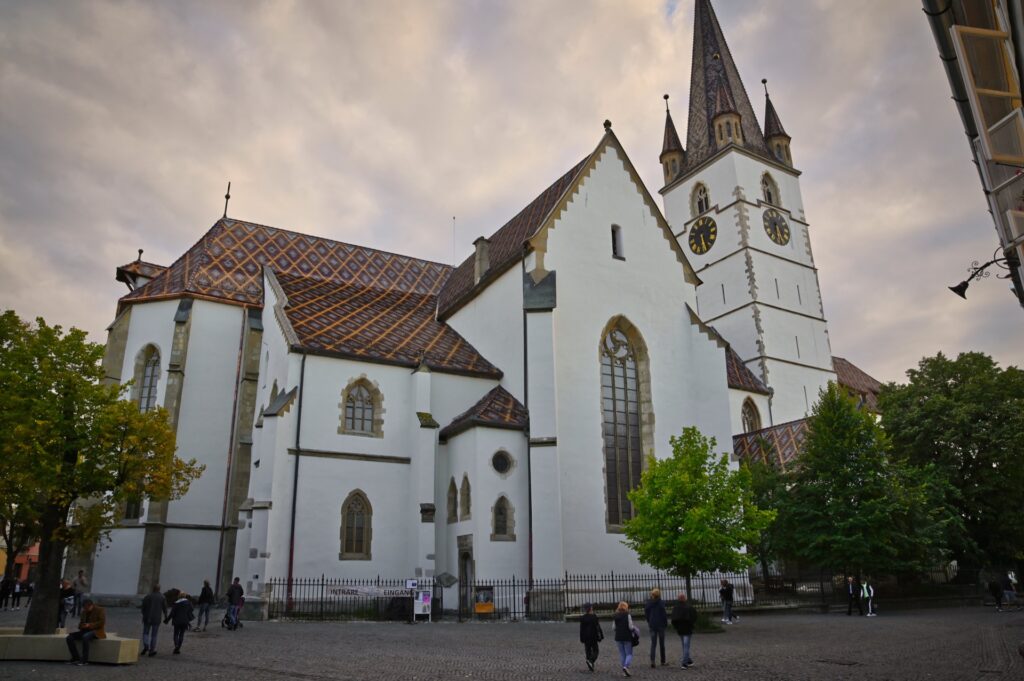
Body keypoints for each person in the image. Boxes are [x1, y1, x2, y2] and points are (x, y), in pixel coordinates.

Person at [65, 598, 106, 666]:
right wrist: (82, 626)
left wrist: (90, 625)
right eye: (84, 608)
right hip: (85, 630)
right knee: (69, 638)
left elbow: (102, 622)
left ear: (91, 606)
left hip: (96, 631)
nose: (85, 610)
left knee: (85, 637)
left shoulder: (100, 610)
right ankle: (75, 658)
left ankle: (84, 660)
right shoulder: (84, 612)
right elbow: (81, 623)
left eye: (87, 608)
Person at [671, 592, 698, 669]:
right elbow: (694, 617)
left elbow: (673, 620)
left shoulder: (676, 608)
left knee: (684, 645)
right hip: (687, 629)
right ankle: (684, 663)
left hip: (680, 629)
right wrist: (691, 625)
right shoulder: (689, 607)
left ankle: (688, 660)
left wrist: (676, 627)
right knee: (686, 646)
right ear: (685, 598)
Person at [140, 583, 167, 657]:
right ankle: (152, 650)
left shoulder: (147, 596)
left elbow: (143, 607)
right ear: (159, 589)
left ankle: (146, 646)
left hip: (147, 617)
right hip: (156, 618)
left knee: (145, 633)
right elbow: (165, 608)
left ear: (153, 588)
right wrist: (166, 616)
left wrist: (144, 614)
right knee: (154, 635)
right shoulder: (162, 597)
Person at [644, 588, 668, 667]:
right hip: (661, 625)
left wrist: (649, 621)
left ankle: (652, 661)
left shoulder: (648, 603)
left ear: (652, 594)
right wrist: (665, 623)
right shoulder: (661, 603)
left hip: (652, 624)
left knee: (653, 644)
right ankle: (663, 661)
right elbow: (664, 614)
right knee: (662, 644)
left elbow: (646, 614)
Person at [613, 601, 637, 677]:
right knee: (629, 654)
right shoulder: (628, 615)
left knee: (622, 654)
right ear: (626, 607)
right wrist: (634, 629)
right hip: (627, 637)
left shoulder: (615, 615)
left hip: (618, 637)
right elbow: (630, 627)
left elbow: (613, 627)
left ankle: (624, 671)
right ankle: (626, 667)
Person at [579, 602, 604, 672]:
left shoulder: (582, 618)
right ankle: (591, 661)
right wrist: (600, 636)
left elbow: (581, 629)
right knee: (596, 650)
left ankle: (590, 664)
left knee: (588, 651)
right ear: (590, 609)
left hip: (586, 637)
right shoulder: (594, 617)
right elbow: (597, 627)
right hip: (593, 636)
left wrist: (581, 638)